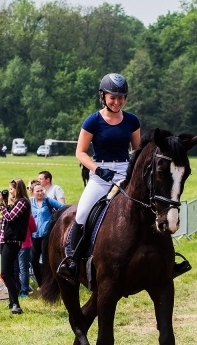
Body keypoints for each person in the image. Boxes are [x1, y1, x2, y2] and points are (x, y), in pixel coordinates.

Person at [57, 73, 141, 282]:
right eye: (113, 97)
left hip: (126, 170)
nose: (117, 101)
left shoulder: (132, 121)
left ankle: (166, 259)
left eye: (121, 97)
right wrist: (97, 169)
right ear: (103, 96)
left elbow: (138, 150)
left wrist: (133, 169)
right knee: (83, 212)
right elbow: (80, 152)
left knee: (150, 207)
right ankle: (71, 260)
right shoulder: (93, 121)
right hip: (101, 173)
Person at [0, 178, 31, 314]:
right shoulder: (16, 202)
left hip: (13, 241)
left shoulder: (23, 202)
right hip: (7, 240)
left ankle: (16, 304)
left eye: (11, 189)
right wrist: (6, 202)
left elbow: (10, 217)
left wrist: (1, 204)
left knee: (5, 273)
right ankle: (12, 302)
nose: (10, 192)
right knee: (10, 273)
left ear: (18, 189)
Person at [30, 182, 65, 286]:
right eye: (38, 191)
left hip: (47, 235)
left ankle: (49, 283)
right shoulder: (29, 202)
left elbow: (63, 207)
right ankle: (41, 284)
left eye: (42, 190)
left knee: (46, 261)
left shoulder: (48, 201)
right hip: (34, 235)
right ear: (32, 192)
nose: (40, 193)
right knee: (34, 260)